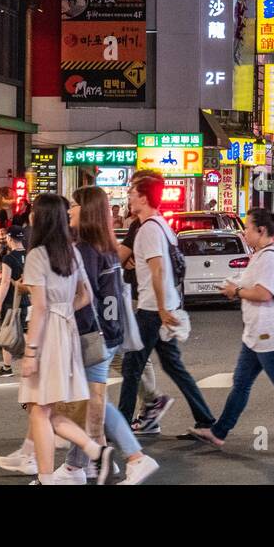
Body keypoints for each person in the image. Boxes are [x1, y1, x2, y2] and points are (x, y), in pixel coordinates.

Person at [189, 208, 274, 452]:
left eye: (248, 227)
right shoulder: (261, 255)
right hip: (255, 335)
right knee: (241, 383)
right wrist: (234, 287)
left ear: (261, 230)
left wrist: (236, 292)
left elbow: (264, 293)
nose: (245, 232)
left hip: (270, 334)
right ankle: (218, 433)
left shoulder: (271, 257)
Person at [54, 187, 159, 485]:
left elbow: (83, 297)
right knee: (90, 399)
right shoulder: (107, 247)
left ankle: (131, 458)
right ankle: (89, 464)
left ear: (86, 211)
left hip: (92, 334)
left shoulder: (85, 250)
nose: (70, 211)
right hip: (111, 333)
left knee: (89, 400)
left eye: (74, 206)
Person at [18, 193, 114, 486]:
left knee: (39, 408)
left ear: (42, 217)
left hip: (47, 334)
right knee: (46, 409)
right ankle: (95, 450)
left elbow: (40, 308)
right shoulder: (72, 252)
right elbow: (85, 295)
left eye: (35, 211)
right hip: (68, 331)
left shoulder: (37, 255)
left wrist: (31, 352)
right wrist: (64, 312)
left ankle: (48, 478)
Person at [117, 174, 216, 439]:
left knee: (131, 366)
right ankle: (205, 420)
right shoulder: (162, 225)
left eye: (132, 193)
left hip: (152, 309)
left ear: (144, 197)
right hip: (165, 305)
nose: (129, 196)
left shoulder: (148, 228)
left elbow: (158, 270)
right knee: (173, 366)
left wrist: (160, 309)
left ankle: (121, 427)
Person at [0, 224, 29, 377]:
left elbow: (5, 282)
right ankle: (31, 361)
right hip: (28, 298)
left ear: (9, 238)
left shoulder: (8, 258)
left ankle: (7, 367)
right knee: (26, 331)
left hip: (12, 301)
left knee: (8, 332)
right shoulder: (30, 254)